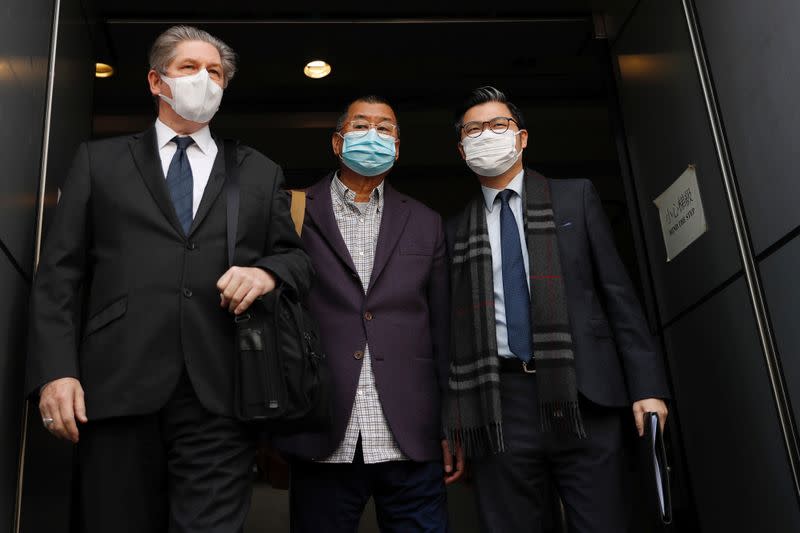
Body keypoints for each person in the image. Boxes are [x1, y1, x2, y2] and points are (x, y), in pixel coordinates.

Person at [26, 25, 312, 533]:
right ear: (157, 82)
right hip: (114, 386)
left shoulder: (258, 170)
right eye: (190, 68)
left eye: (216, 72)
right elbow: (59, 274)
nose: (205, 79)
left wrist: (266, 273)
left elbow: (296, 259)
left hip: (221, 388)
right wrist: (55, 370)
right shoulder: (100, 161)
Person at [444, 86, 670, 532]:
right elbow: (448, 334)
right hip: (502, 403)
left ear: (522, 138)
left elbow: (617, 296)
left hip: (584, 392)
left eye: (498, 125)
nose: (486, 135)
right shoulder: (452, 230)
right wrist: (453, 420)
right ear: (462, 148)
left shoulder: (575, 198)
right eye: (474, 130)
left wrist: (647, 386)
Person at [274, 95, 461, 532]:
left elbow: (443, 331)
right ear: (338, 143)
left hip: (411, 437)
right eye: (361, 126)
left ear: (398, 146)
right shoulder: (292, 211)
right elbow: (277, 319)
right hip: (322, 431)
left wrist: (451, 424)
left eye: (386, 128)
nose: (373, 135)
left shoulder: (426, 221)